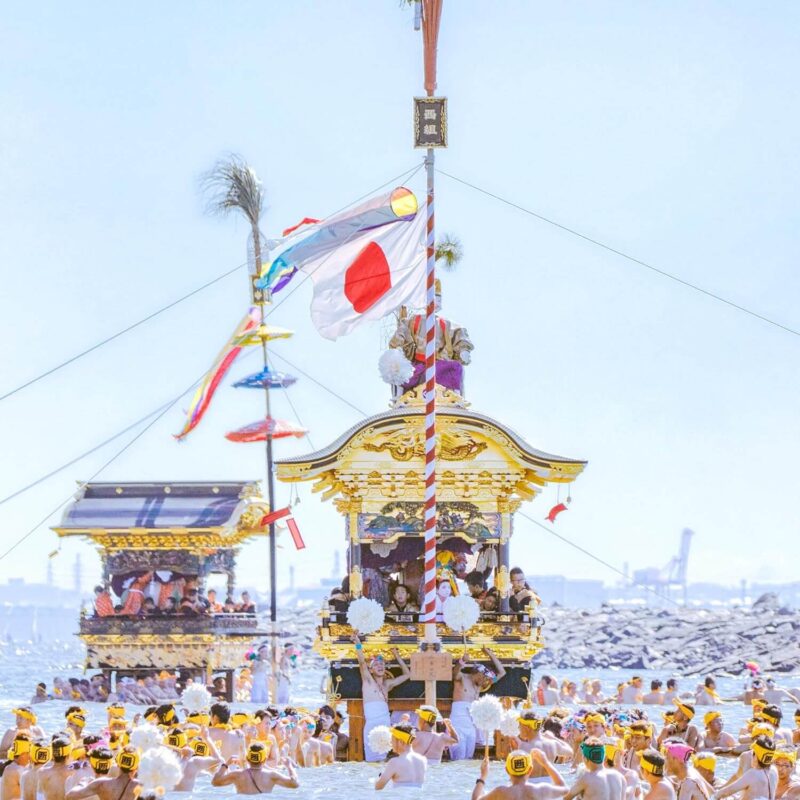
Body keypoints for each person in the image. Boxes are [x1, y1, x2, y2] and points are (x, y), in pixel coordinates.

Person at [351, 633, 411, 762]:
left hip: (385, 724)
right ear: (371, 669)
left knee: (383, 759)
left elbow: (407, 674)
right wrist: (357, 644)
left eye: (382, 664)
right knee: (372, 760)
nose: (380, 666)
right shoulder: (368, 681)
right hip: (372, 725)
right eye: (376, 665)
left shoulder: (387, 684)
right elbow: (362, 663)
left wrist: (397, 656)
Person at [450, 648, 506, 760]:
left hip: (471, 725)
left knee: (469, 758)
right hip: (459, 722)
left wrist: (490, 654)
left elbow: (502, 673)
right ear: (479, 673)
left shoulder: (479, 686)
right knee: (458, 758)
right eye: (485, 677)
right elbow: (454, 673)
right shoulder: (462, 678)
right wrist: (462, 661)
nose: (486, 681)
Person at [472, 749, 567, 800]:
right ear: (530, 770)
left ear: (507, 770)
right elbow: (565, 789)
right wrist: (546, 763)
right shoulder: (540, 790)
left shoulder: (500, 792)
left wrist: (483, 776)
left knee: (483, 792)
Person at [211, 741, 299, 794]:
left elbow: (215, 782)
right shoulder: (272, 775)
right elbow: (294, 784)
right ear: (264, 760)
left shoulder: (237, 775)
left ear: (247, 758)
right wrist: (289, 767)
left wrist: (226, 764)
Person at [716, 735, 777, 800]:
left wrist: (714, 795)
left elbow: (725, 793)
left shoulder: (753, 773)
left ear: (755, 757)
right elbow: (737, 776)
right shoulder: (774, 770)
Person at [375, 724, 427, 790]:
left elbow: (378, 787)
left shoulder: (394, 762)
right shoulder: (423, 760)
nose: (391, 742)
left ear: (401, 742)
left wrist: (379, 776)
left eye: (392, 739)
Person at [2, 732, 31, 800]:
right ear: (23, 754)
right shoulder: (16, 770)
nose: (30, 757)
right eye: (28, 753)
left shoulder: (11, 766)